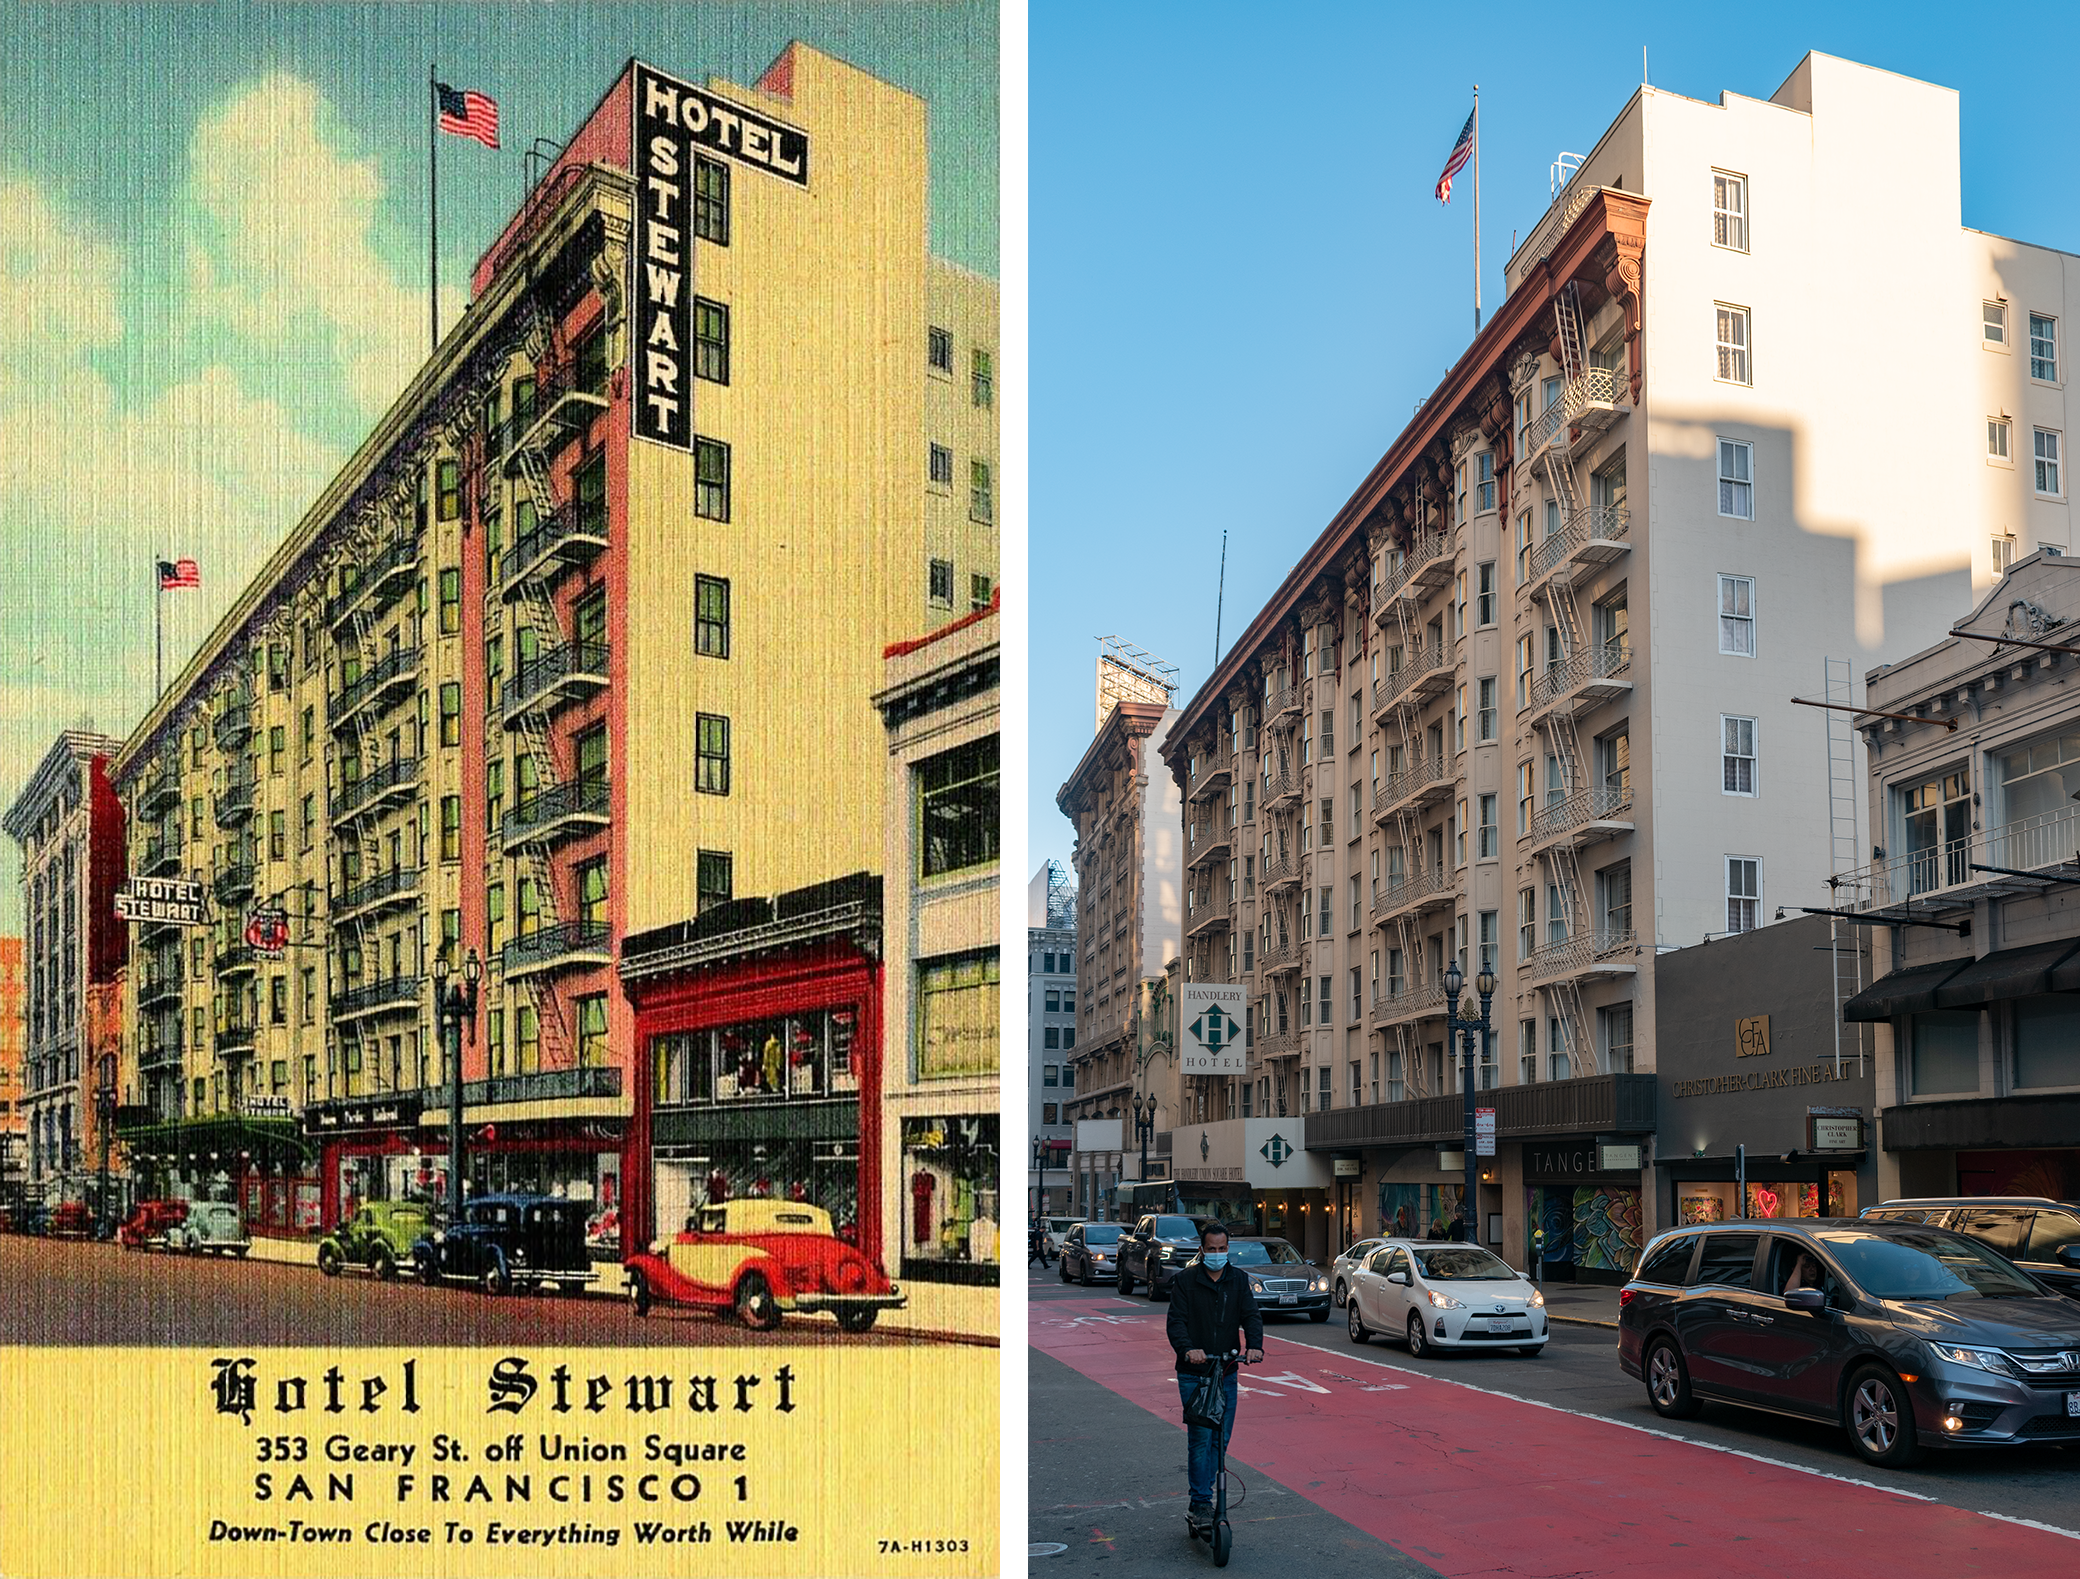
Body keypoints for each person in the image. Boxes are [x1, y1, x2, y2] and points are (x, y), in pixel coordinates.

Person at [1165, 1224, 1264, 1521]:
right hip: (1194, 1373)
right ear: (1202, 1250)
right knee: (1200, 1437)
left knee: (1221, 1438)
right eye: (1212, 1249)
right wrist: (1187, 1349)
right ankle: (1200, 1501)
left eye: (1222, 1249)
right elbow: (1176, 1322)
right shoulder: (1186, 1281)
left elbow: (1251, 1316)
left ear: (1228, 1249)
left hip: (1226, 1370)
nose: (1217, 1254)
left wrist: (1254, 1346)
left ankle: (1204, 1494)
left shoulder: (1238, 1280)